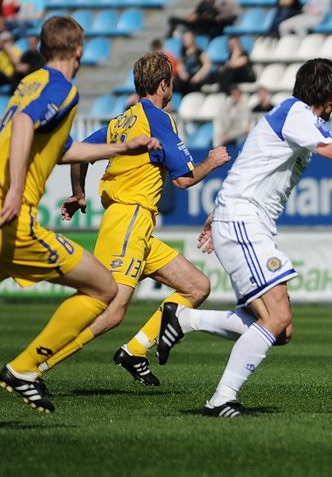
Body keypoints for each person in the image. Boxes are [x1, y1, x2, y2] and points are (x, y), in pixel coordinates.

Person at [142, 58, 332, 417]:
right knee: (276, 318)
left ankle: (184, 319)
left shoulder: (294, 115)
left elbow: (254, 162)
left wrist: (218, 212)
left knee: (280, 329)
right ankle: (222, 398)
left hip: (242, 220)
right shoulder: (297, 115)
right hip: (243, 221)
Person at [0, 16, 162, 413]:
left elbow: (63, 149)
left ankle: (24, 370)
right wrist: (16, 190)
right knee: (103, 289)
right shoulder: (62, 87)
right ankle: (24, 369)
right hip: (8, 214)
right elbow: (23, 123)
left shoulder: (30, 82)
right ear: (79, 51)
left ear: (41, 48)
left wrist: (122, 149)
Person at [37, 51, 230, 385]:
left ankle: (135, 351)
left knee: (196, 287)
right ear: (163, 85)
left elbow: (79, 154)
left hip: (133, 224)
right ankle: (36, 366)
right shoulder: (158, 118)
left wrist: (79, 193)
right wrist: (212, 161)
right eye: (171, 83)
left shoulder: (122, 120)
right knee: (110, 310)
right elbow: (184, 179)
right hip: (130, 219)